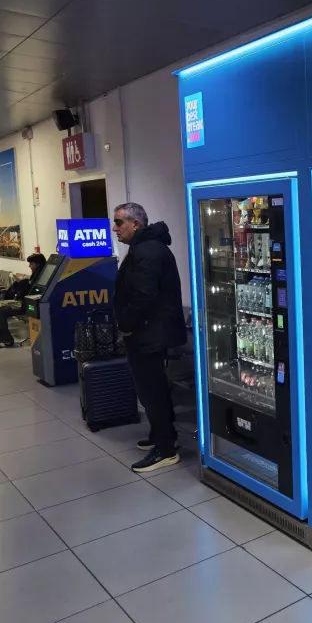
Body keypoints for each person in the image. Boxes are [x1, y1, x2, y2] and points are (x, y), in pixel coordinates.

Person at [113, 202, 187, 473]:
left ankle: (165, 450)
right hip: (150, 331)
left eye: (119, 222)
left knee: (151, 391)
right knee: (154, 388)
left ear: (136, 224)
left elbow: (143, 297)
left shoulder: (148, 251)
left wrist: (126, 325)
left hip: (148, 333)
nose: (115, 228)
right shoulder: (144, 248)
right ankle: (162, 435)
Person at [0, 252, 46, 347]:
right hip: (25, 302)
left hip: (27, 305)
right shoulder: (38, 275)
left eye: (31, 264)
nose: (29, 266)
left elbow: (30, 291)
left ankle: (5, 338)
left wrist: (23, 282)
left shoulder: (41, 276)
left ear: (38, 264)